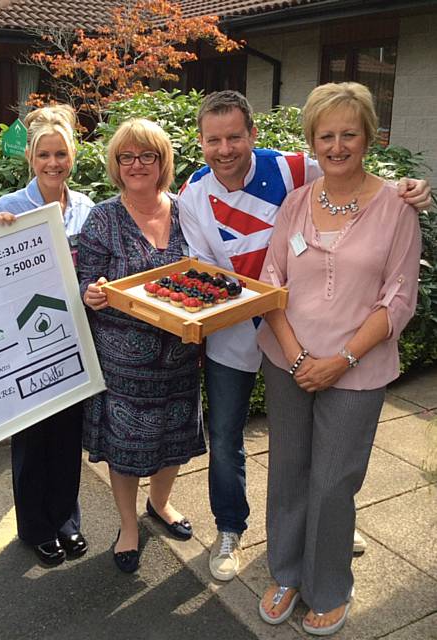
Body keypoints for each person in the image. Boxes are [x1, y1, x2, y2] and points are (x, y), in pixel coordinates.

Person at [178, 90, 430, 583]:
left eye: (234, 136)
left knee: (321, 455)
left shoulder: (296, 169)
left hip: (301, 332)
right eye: (213, 140)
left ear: (253, 134)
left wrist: (409, 189)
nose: (225, 149)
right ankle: (231, 527)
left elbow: (353, 194)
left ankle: (328, 525)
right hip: (238, 334)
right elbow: (205, 271)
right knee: (228, 436)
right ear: (201, 144)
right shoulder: (191, 194)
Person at [256, 82, 421, 635]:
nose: (337, 144)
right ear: (311, 141)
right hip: (288, 362)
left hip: (358, 370)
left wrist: (339, 359)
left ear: (369, 136)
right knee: (287, 472)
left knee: (332, 481)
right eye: (325, 135)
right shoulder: (298, 202)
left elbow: (398, 298)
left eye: (349, 133)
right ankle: (285, 572)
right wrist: (298, 353)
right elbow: (270, 281)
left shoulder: (397, 207)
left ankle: (328, 587)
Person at [80, 118, 206, 573]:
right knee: (127, 445)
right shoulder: (103, 218)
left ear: (162, 162)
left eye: (147, 156)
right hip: (124, 361)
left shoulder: (186, 210)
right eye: (126, 157)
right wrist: (90, 294)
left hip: (178, 355)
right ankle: (128, 525)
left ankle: (161, 503)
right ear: (116, 165)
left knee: (175, 435)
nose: (137, 165)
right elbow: (82, 281)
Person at [0, 105, 94, 566]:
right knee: (34, 437)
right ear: (31, 158)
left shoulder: (87, 208)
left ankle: (66, 520)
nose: (54, 163)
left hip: (73, 337)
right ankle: (36, 527)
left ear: (73, 157)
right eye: (44, 155)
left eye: (61, 155)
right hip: (26, 340)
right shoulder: (9, 208)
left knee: (68, 436)